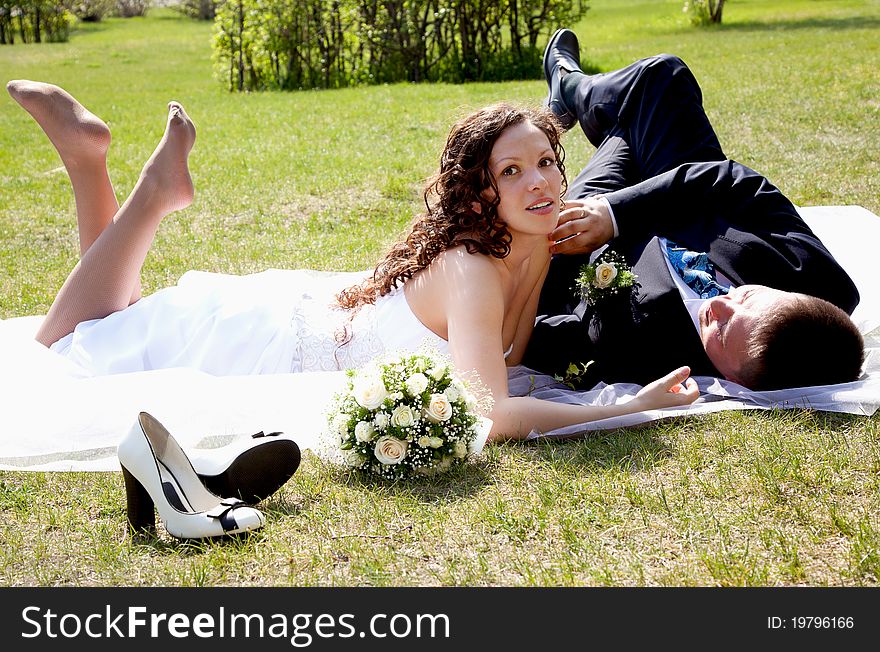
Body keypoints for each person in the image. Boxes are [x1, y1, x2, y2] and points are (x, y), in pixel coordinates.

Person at [5, 79, 700, 447]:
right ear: (481, 190)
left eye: (547, 163)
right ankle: (151, 194)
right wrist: (624, 408)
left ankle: (85, 161)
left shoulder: (544, 238)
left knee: (102, 325)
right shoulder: (473, 269)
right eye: (512, 170)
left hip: (313, 316)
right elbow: (491, 415)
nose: (541, 183)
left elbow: (631, 165)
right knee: (62, 349)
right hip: (266, 347)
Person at [524, 29, 865, 391]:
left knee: (631, 117)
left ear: (735, 378)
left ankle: (575, 96)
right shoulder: (821, 280)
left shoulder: (646, 358)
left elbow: (548, 325)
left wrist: (556, 240)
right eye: (746, 295)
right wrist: (613, 214)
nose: (719, 306)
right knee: (662, 76)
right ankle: (573, 88)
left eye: (722, 332)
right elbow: (735, 181)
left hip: (575, 238)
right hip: (675, 194)